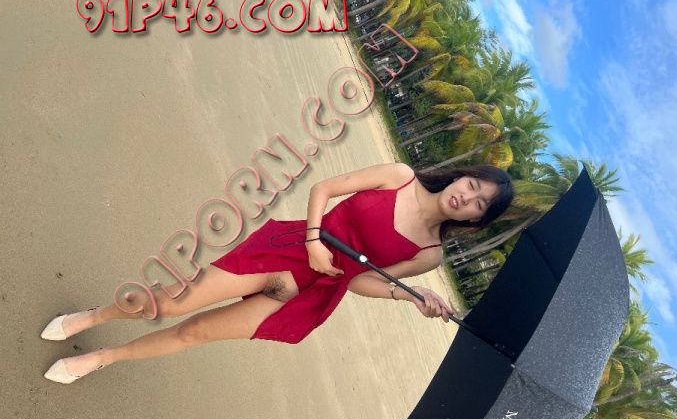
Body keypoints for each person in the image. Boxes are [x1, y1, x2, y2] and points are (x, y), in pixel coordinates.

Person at [42, 162, 514, 384]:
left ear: (477, 220)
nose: (466, 197)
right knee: (169, 302)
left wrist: (408, 297)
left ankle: (103, 358)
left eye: (478, 204)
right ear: (461, 175)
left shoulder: (429, 254)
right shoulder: (399, 176)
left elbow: (359, 281)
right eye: (472, 184)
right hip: (288, 249)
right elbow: (325, 188)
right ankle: (96, 316)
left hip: (311, 295)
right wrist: (312, 240)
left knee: (195, 333)